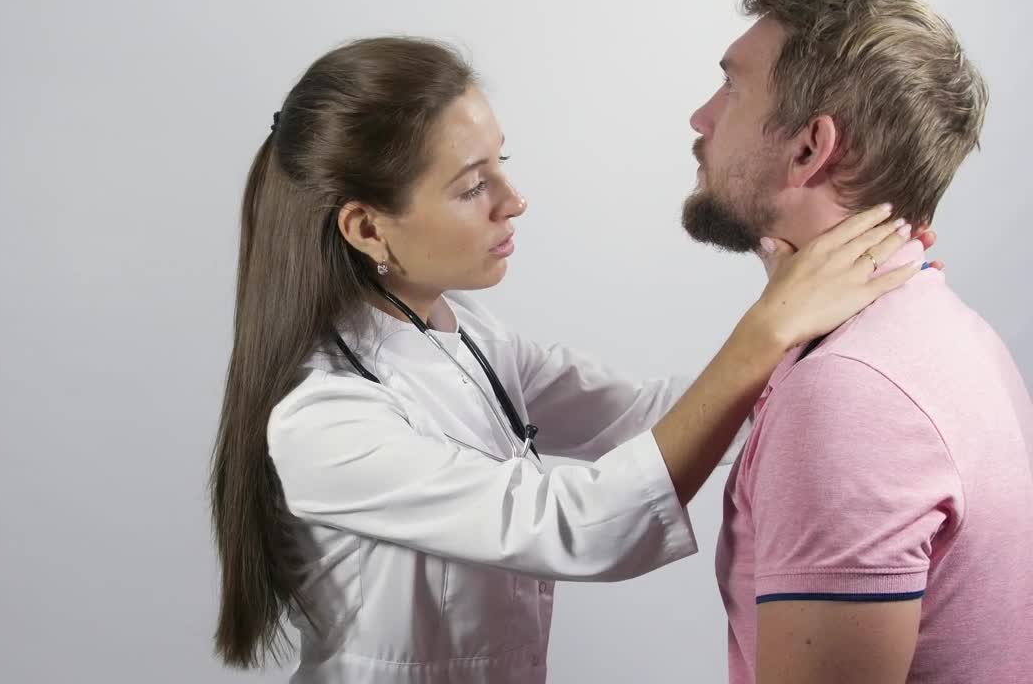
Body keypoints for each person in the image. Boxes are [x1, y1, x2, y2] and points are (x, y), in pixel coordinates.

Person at [209, 36, 928, 683]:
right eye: (471, 186)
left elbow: (651, 413)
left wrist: (820, 331)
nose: (514, 201)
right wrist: (767, 330)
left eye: (503, 166)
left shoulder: (469, 338)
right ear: (367, 228)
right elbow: (576, 525)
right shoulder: (324, 424)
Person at [685, 0, 1033, 683]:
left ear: (812, 148)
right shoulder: (939, 329)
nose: (701, 117)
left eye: (732, 91)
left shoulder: (849, 392)